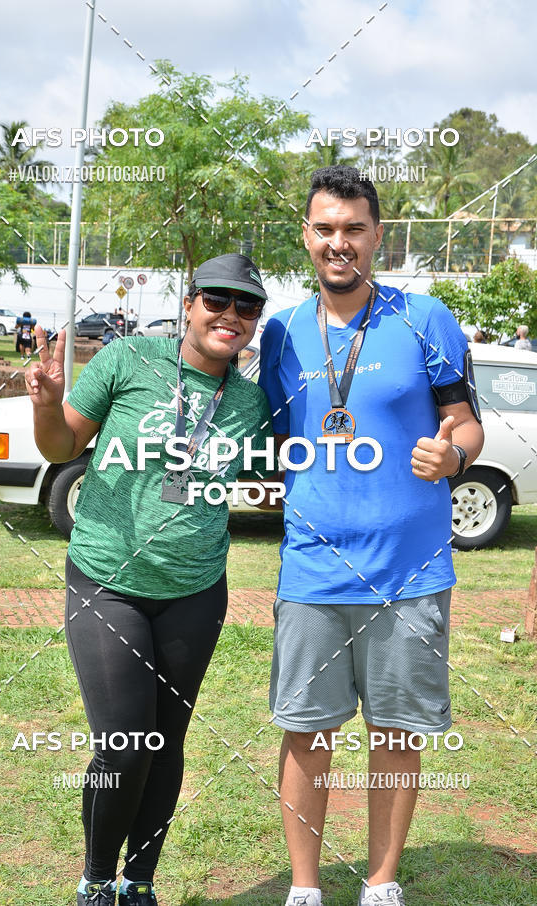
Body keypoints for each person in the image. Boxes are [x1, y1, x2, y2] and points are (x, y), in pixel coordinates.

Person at [259, 166, 484, 906]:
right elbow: (264, 432)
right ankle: (304, 888)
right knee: (306, 733)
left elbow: (465, 419)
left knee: (396, 732)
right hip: (312, 571)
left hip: (409, 571)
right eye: (325, 228)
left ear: (377, 236)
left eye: (354, 228)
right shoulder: (282, 332)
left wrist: (454, 454)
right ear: (307, 236)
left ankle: (382, 882)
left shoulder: (425, 317)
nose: (339, 243)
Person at [25, 253, 271, 906]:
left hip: (194, 590)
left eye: (247, 306)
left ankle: (140, 881)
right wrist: (48, 406)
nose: (231, 315)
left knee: (166, 745)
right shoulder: (128, 359)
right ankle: (97, 877)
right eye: (217, 300)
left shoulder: (250, 402)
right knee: (125, 744)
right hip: (108, 580)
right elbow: (59, 448)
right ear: (190, 303)